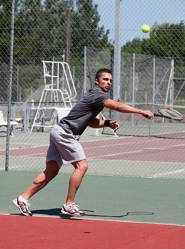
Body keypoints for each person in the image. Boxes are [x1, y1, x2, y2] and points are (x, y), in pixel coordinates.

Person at [12, 68, 153, 216]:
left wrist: (106, 123)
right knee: (82, 166)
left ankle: (22, 198)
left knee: (51, 171)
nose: (108, 82)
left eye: (110, 80)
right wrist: (141, 111)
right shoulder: (98, 94)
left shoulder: (95, 97)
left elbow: (90, 122)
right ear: (97, 81)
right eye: (105, 79)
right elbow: (117, 106)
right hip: (66, 133)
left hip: (58, 131)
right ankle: (69, 204)